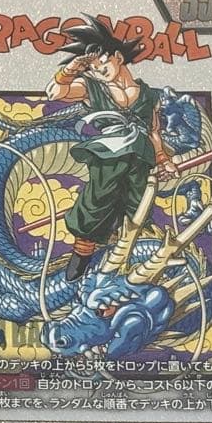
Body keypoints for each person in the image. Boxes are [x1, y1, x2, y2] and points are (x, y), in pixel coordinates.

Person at [46, 15, 178, 281]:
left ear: (117, 57)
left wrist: (163, 159)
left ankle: (128, 261)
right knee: (97, 200)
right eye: (92, 68)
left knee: (137, 206)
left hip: (140, 157)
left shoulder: (147, 94)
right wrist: (71, 69)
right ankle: (81, 257)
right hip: (110, 153)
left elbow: (153, 130)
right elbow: (54, 92)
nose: (99, 71)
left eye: (102, 63)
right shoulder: (91, 87)